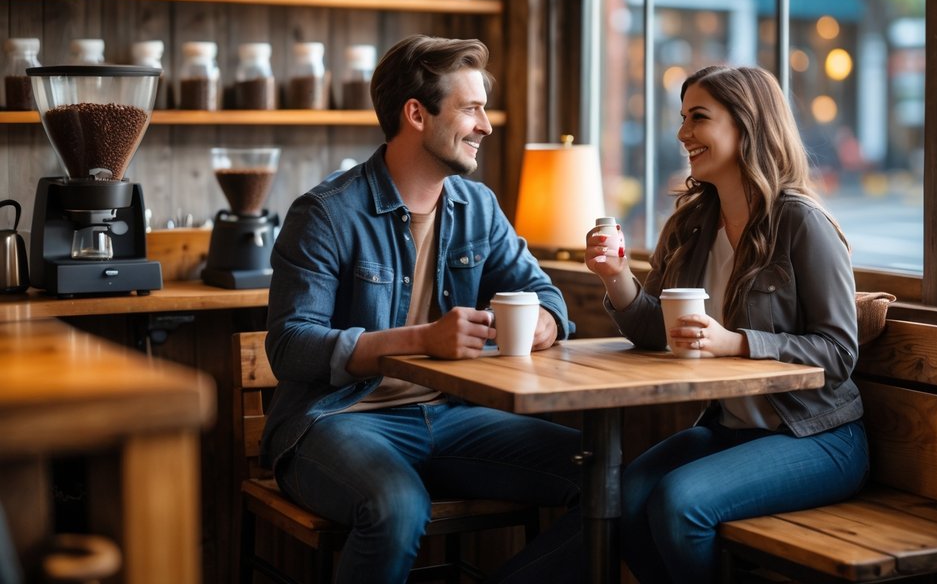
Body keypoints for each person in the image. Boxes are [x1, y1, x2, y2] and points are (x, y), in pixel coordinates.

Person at [263, 35, 583, 584]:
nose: (485, 125)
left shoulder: (478, 206)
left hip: (455, 416)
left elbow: (546, 296)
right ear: (416, 113)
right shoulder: (325, 214)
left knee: (605, 478)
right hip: (338, 420)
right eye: (471, 109)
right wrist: (420, 340)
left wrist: (540, 325)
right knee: (397, 508)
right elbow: (290, 345)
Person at [585, 64, 868, 583]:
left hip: (817, 437)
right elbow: (656, 332)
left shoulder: (801, 222)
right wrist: (616, 276)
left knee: (678, 503)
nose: (682, 133)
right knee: (619, 498)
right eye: (682, 117)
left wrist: (736, 343)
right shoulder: (691, 224)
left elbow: (838, 352)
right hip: (731, 433)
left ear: (746, 125)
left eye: (699, 117)